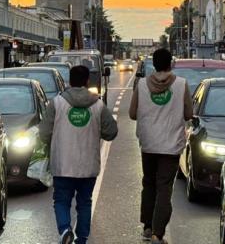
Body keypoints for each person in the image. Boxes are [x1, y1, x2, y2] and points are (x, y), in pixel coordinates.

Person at [39, 65, 118, 244]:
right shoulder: (98, 105)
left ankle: (65, 230)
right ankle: (81, 239)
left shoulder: (57, 103)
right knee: (84, 202)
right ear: (87, 81)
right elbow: (111, 132)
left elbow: (43, 133)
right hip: (88, 165)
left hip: (62, 165)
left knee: (61, 200)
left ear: (69, 81)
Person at [129, 48, 192, 244]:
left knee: (149, 184)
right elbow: (189, 114)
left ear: (154, 65)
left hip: (148, 144)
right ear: (170, 63)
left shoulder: (141, 84)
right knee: (164, 188)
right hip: (171, 146)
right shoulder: (181, 84)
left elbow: (132, 114)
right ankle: (158, 233)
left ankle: (147, 227)